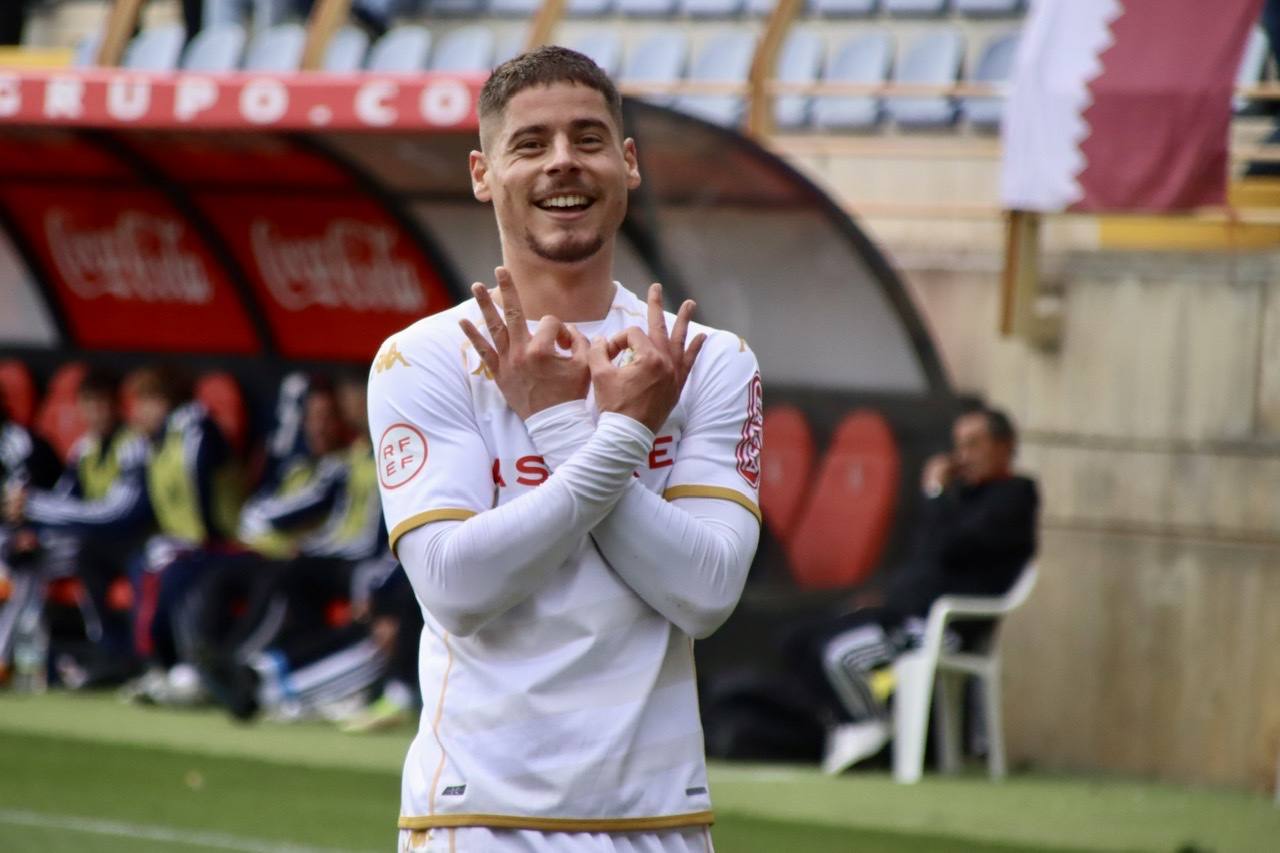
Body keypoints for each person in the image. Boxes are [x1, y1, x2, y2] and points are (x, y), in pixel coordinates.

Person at [367, 46, 763, 853]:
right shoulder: (423, 356)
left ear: (627, 164)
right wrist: (618, 434)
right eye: (530, 144)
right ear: (484, 173)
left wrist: (562, 430)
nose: (561, 164)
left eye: (587, 139)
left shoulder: (709, 359)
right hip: (476, 816)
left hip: (658, 817)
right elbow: (456, 585)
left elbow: (706, 590)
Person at [801, 405, 1039, 775]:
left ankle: (872, 729)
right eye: (960, 445)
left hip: (946, 627)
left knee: (841, 655)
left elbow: (952, 547)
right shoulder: (959, 497)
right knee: (801, 640)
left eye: (975, 444)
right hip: (904, 610)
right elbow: (925, 555)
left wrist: (935, 493)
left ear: (1005, 445)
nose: (963, 456)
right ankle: (855, 727)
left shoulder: (1014, 497)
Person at [3, 367, 152, 687]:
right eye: (88, 404)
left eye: (101, 404)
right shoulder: (85, 449)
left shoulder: (133, 445)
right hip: (94, 542)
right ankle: (15, 659)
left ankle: (127, 656)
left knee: (90, 555)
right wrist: (33, 532)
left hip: (132, 540)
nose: (95, 413)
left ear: (117, 406)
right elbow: (64, 499)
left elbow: (118, 513)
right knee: (25, 558)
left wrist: (33, 506)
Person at [121, 364, 244, 704]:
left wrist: (200, 541)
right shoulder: (155, 443)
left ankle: (188, 671)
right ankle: (159, 665)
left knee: (173, 571)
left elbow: (200, 485)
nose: (139, 411)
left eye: (149, 400)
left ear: (168, 400)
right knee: (144, 562)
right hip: (188, 543)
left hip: (225, 540)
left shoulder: (195, 425)